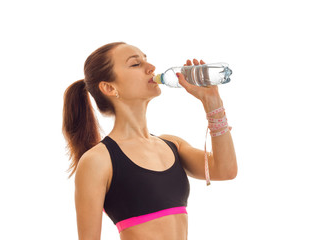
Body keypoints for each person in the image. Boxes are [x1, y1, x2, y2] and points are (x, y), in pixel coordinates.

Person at [62, 42, 237, 240]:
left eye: (146, 59)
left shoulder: (172, 145)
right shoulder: (98, 160)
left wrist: (212, 101)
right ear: (109, 87)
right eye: (135, 64)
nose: (151, 67)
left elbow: (225, 170)